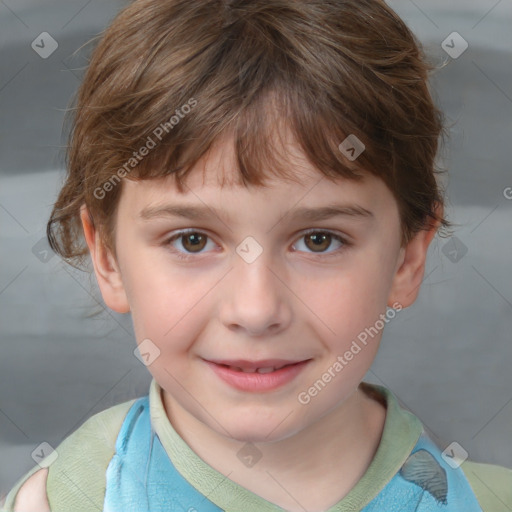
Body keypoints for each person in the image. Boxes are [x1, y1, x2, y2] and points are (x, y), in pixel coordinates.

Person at [3, 0, 511, 510]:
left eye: (318, 240)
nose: (256, 309)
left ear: (407, 259)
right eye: (193, 240)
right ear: (107, 257)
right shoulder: (62, 500)